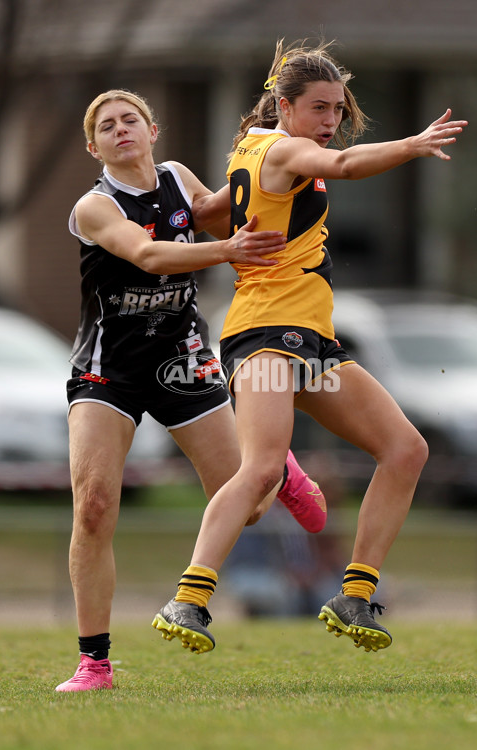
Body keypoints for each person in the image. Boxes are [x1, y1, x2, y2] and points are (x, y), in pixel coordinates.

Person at [153, 39, 467, 654]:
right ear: (284, 106)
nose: (330, 123)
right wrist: (411, 144)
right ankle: (188, 598)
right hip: (268, 337)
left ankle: (355, 594)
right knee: (264, 467)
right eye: (319, 109)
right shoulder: (286, 148)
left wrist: (189, 202)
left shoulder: (254, 151)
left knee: (405, 449)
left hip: (309, 342)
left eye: (337, 111)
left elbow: (218, 214)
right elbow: (347, 167)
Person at [55, 89, 327, 692]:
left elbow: (216, 205)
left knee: (251, 507)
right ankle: (94, 663)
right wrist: (229, 249)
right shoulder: (94, 207)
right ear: (92, 145)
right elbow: (149, 255)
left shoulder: (177, 177)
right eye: (106, 125)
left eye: (131, 120)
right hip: (109, 370)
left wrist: (278, 153)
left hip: (182, 359)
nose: (120, 130)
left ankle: (277, 465)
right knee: (94, 504)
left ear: (155, 130)